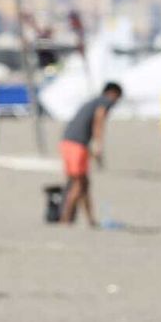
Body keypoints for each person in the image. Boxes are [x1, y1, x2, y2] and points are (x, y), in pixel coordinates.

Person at [58, 82, 122, 226]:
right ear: (113, 93)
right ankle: (65, 218)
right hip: (77, 144)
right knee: (78, 184)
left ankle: (90, 220)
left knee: (83, 182)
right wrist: (98, 144)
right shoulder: (105, 102)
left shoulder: (92, 102)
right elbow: (99, 119)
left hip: (67, 141)